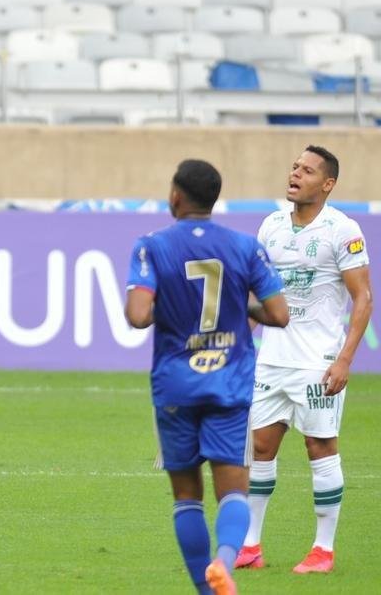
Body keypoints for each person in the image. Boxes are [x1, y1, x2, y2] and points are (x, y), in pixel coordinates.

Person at [124, 159, 289, 595]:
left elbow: (138, 315)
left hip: (175, 386)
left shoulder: (151, 245)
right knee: (233, 489)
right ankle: (226, 563)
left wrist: (175, 310)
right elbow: (278, 314)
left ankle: (205, 588)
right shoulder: (244, 246)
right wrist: (238, 309)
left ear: (175, 196)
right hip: (229, 384)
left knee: (186, 497)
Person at [236, 146, 373, 574]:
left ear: (327, 184)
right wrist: (240, 343)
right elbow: (257, 296)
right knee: (260, 447)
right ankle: (251, 545)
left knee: (319, 446)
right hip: (272, 360)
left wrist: (345, 359)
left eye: (307, 170)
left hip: (318, 361)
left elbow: (363, 297)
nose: (295, 174)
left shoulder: (342, 230)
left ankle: (323, 550)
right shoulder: (271, 226)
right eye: (295, 166)